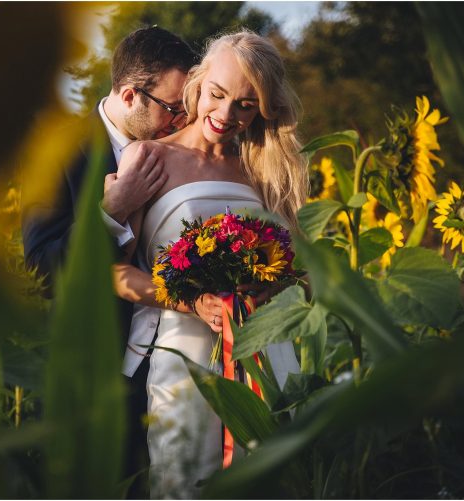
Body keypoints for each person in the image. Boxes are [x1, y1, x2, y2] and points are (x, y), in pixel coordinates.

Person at [112, 30, 308, 499]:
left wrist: (271, 287)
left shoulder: (264, 171)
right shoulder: (150, 157)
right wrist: (191, 302)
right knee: (187, 479)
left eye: (245, 105)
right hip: (185, 356)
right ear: (197, 85)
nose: (225, 115)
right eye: (217, 95)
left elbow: (296, 269)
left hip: (268, 351)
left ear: (263, 108)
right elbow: (116, 273)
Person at [20, 26, 197, 494]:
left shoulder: (187, 152)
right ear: (130, 95)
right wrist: (113, 210)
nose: (182, 121)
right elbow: (41, 268)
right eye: (173, 108)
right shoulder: (56, 150)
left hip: (179, 368)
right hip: (90, 380)